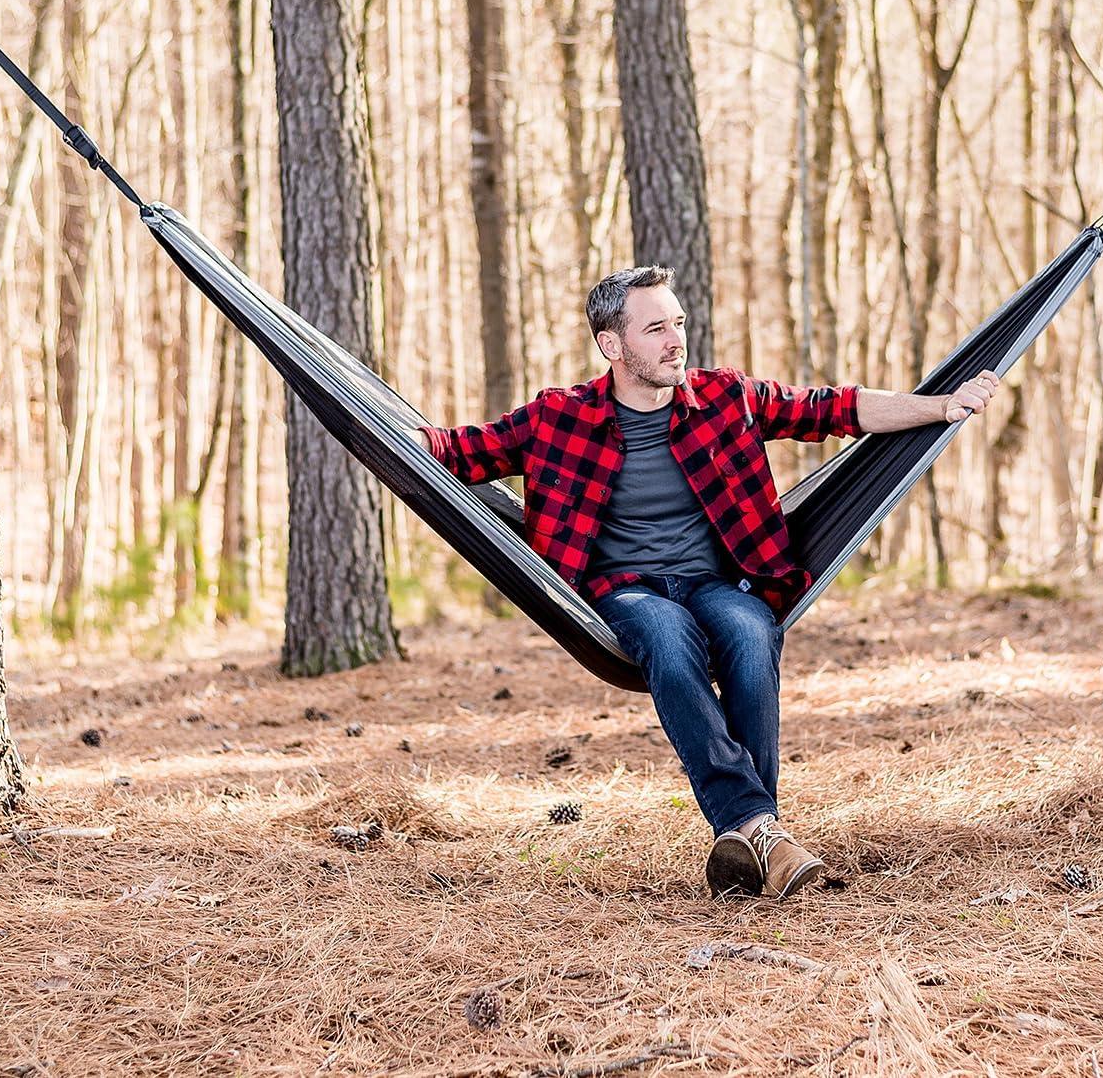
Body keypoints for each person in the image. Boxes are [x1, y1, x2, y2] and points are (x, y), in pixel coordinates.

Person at [418, 266, 1000, 900]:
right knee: (669, 643)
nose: (676, 341)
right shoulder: (559, 417)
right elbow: (459, 448)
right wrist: (368, 420)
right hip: (625, 591)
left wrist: (941, 405)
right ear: (612, 345)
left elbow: (838, 408)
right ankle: (763, 830)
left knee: (752, 637)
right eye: (656, 329)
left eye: (679, 324)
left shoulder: (725, 398)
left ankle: (751, 838)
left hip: (721, 582)